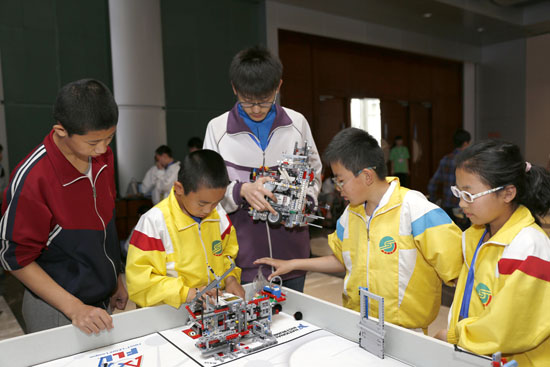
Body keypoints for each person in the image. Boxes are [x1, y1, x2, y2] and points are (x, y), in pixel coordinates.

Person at [255, 128, 463, 332]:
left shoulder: (417, 211)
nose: (338, 187)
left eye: (341, 180)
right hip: (358, 324)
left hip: (406, 331)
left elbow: (460, 272)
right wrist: (293, 264)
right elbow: (343, 259)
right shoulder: (350, 215)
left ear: (367, 176)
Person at [0, 79, 127, 334]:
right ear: (61, 131)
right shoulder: (33, 179)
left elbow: (106, 224)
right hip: (57, 308)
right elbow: (13, 258)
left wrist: (117, 280)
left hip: (100, 299)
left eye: (109, 138)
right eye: (93, 143)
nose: (102, 149)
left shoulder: (103, 158)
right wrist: (74, 308)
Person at [203, 46, 321, 292]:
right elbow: (208, 189)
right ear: (235, 88)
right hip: (242, 257)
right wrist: (241, 191)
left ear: (278, 86)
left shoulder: (297, 124)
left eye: (265, 100)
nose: (256, 109)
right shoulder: (217, 129)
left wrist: (304, 199)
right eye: (247, 101)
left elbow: (314, 173)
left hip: (292, 257)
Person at [445, 140, 550, 366]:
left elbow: (509, 327)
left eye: (470, 195)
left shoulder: (529, 246)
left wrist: (455, 335)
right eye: (459, 192)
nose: (462, 204)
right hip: (476, 354)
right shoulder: (475, 236)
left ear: (508, 193)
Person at [125, 150, 244, 308]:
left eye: (216, 202)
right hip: (169, 312)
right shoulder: (154, 223)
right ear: (179, 189)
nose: (209, 210)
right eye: (202, 204)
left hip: (212, 308)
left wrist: (231, 279)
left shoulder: (218, 215)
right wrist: (187, 293)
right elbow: (140, 283)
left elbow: (227, 255)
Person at [428, 128, 471, 230]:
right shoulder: (469, 162)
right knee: (464, 234)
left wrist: (433, 200)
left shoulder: (446, 159)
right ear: (465, 143)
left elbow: (432, 184)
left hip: (447, 206)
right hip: (462, 207)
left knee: (450, 233)